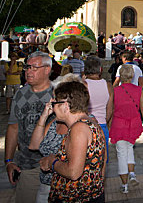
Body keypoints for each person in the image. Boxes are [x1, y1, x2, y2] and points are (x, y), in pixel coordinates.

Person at [39, 81, 105, 202]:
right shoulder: (91, 123)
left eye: (55, 103)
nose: (53, 108)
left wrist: (51, 162)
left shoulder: (78, 128)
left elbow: (74, 172)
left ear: (65, 105)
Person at [5, 51, 54, 203]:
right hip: (27, 166)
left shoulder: (57, 94)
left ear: (47, 70)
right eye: (27, 67)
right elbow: (13, 128)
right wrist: (8, 161)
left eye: (34, 67)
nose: (28, 71)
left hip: (55, 166)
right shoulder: (20, 94)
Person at [29, 74, 80, 203]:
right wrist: (44, 116)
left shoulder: (81, 125)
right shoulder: (54, 122)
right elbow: (35, 145)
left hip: (68, 190)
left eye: (55, 97)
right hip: (46, 185)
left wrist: (52, 162)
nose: (52, 100)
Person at [109, 64, 143, 194]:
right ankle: (132, 173)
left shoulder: (115, 91)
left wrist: (107, 122)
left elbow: (111, 109)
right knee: (130, 147)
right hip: (134, 122)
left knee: (121, 152)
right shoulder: (138, 90)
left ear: (120, 76)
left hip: (119, 123)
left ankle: (124, 184)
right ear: (132, 76)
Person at [84, 56, 113, 162]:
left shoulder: (83, 85)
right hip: (102, 125)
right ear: (100, 69)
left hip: (86, 125)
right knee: (102, 160)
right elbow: (110, 110)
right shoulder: (108, 85)